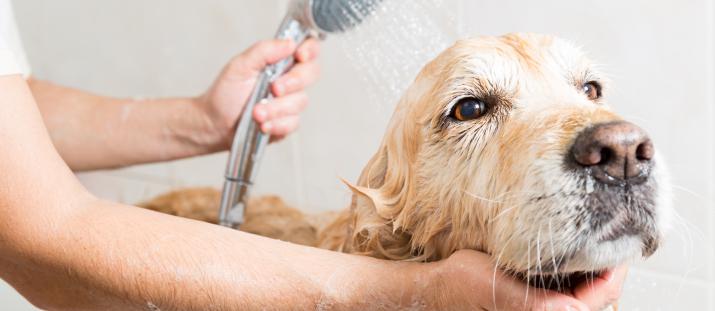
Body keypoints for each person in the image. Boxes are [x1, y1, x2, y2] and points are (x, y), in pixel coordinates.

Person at [0, 1, 626, 310]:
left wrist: (195, 124)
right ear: (394, 224)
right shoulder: (398, 267)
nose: (612, 139)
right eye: (471, 109)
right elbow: (35, 228)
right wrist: (414, 294)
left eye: (589, 89)